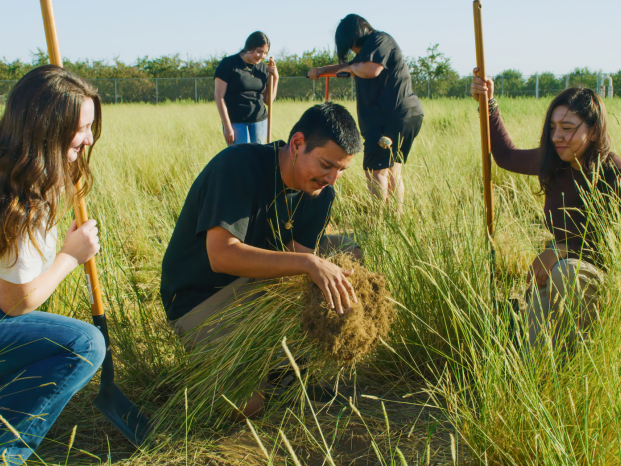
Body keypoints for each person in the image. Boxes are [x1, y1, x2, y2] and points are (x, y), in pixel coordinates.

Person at [161, 102, 363, 418]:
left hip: (257, 289)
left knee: (349, 250)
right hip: (201, 297)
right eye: (326, 164)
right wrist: (310, 264)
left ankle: (278, 365)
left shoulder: (319, 193)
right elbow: (222, 255)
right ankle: (211, 372)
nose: (332, 179)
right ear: (297, 144)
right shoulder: (239, 166)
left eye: (341, 170)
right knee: (248, 405)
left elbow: (296, 260)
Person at [471, 70, 621, 354]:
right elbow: (505, 156)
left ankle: (563, 361)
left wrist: (562, 249)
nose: (557, 136)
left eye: (567, 127)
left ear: (594, 130)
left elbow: (611, 247)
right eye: (553, 127)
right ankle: (532, 368)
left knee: (564, 272)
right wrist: (488, 103)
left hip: (596, 277)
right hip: (555, 271)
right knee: (546, 288)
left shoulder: (613, 173)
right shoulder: (553, 161)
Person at [0, 65, 105, 464]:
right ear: (47, 127)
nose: (90, 138)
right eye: (81, 128)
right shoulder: (16, 201)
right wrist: (70, 256)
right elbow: (16, 301)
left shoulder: (30, 175)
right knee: (84, 344)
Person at [308, 14, 424, 213]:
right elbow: (351, 67)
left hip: (388, 118)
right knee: (393, 170)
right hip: (405, 116)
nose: (352, 51)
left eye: (350, 46)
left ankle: (378, 225)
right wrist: (322, 69)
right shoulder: (371, 50)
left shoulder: (379, 40)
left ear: (354, 36)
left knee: (375, 172)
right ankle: (395, 221)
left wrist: (353, 67)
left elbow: (371, 70)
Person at [214, 31, 279, 146]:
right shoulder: (229, 64)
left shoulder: (263, 68)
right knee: (242, 160)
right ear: (250, 47)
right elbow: (219, 96)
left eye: (265, 53)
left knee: (257, 159)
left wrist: (276, 78)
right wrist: (227, 126)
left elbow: (268, 101)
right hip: (236, 122)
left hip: (259, 121)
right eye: (259, 51)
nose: (262, 56)